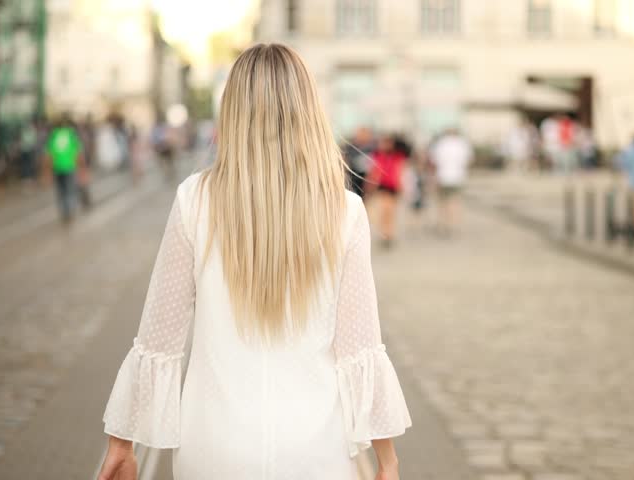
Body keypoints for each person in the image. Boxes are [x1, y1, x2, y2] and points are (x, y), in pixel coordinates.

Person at [98, 44, 411, 480]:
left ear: (234, 113)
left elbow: (159, 337)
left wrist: (121, 443)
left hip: (212, 448)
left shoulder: (195, 200)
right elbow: (359, 348)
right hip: (314, 450)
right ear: (308, 112)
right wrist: (388, 461)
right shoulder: (345, 211)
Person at [365, 134, 407, 248]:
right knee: (384, 211)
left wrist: (401, 186)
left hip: (393, 186)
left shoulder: (398, 156)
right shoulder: (378, 156)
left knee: (390, 212)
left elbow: (400, 172)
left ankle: (389, 233)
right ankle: (385, 233)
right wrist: (370, 185)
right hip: (383, 186)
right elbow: (374, 172)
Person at [430, 128, 473, 234]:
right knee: (454, 201)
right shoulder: (462, 144)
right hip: (458, 177)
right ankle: (452, 223)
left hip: (442, 176)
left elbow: (433, 161)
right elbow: (469, 160)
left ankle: (443, 222)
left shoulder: (440, 143)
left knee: (442, 202)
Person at [44, 115, 84, 223]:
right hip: (69, 166)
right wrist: (82, 168)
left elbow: (48, 155)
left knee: (61, 191)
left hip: (57, 167)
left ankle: (64, 211)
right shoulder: (71, 135)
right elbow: (78, 152)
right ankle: (69, 211)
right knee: (69, 190)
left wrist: (47, 171)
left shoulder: (53, 136)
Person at [342, 126, 374, 197]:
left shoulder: (372, 148)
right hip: (353, 176)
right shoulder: (350, 147)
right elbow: (344, 160)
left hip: (366, 178)